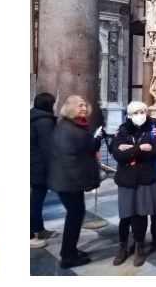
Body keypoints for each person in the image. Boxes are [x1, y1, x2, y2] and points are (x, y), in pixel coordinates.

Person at [47, 95, 103, 269]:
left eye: (85, 105)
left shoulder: (76, 125)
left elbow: (87, 148)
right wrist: (79, 182)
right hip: (69, 182)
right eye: (80, 106)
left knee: (76, 214)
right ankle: (68, 257)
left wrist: (97, 140)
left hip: (71, 181)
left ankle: (69, 250)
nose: (84, 108)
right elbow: (67, 159)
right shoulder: (68, 129)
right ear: (69, 108)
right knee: (75, 215)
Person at [111, 101, 156, 267]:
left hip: (145, 177)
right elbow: (117, 156)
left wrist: (130, 150)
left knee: (141, 215)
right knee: (125, 215)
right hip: (127, 178)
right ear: (129, 115)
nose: (140, 115)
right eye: (136, 112)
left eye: (142, 111)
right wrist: (140, 148)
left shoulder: (153, 129)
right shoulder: (122, 129)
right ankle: (122, 248)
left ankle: (139, 247)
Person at [30, 93, 59, 248]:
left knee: (37, 199)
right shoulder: (44, 122)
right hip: (40, 166)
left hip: (35, 165)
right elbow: (48, 148)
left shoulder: (34, 117)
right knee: (36, 200)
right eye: (54, 103)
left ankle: (39, 229)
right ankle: (29, 234)